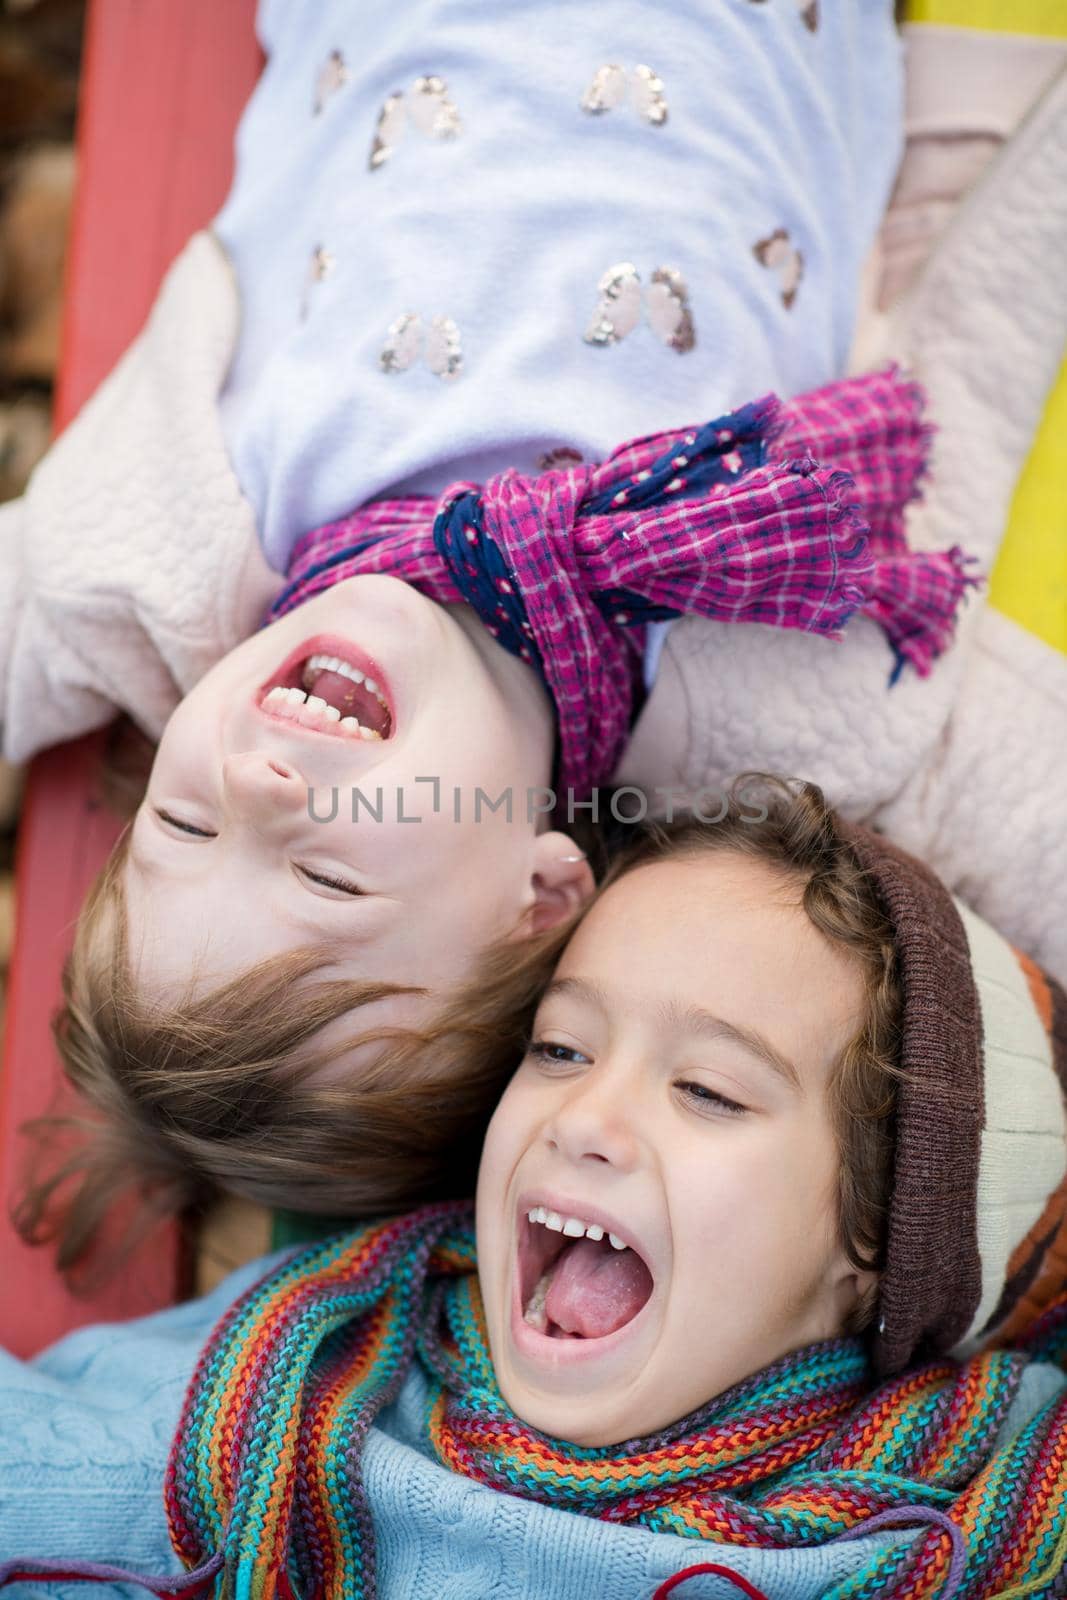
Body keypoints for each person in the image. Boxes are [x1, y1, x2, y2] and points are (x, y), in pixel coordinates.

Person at [10, 0, 968, 1245]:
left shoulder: (184, 550)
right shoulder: (747, 673)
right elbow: (999, 782)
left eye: (180, 819)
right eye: (324, 870)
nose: (255, 780)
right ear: (539, 895)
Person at [2, 777, 1066, 1599]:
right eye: (559, 1049)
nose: (585, 1120)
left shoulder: (981, 1502)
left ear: (874, 1234)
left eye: (705, 1089)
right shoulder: (300, 1373)